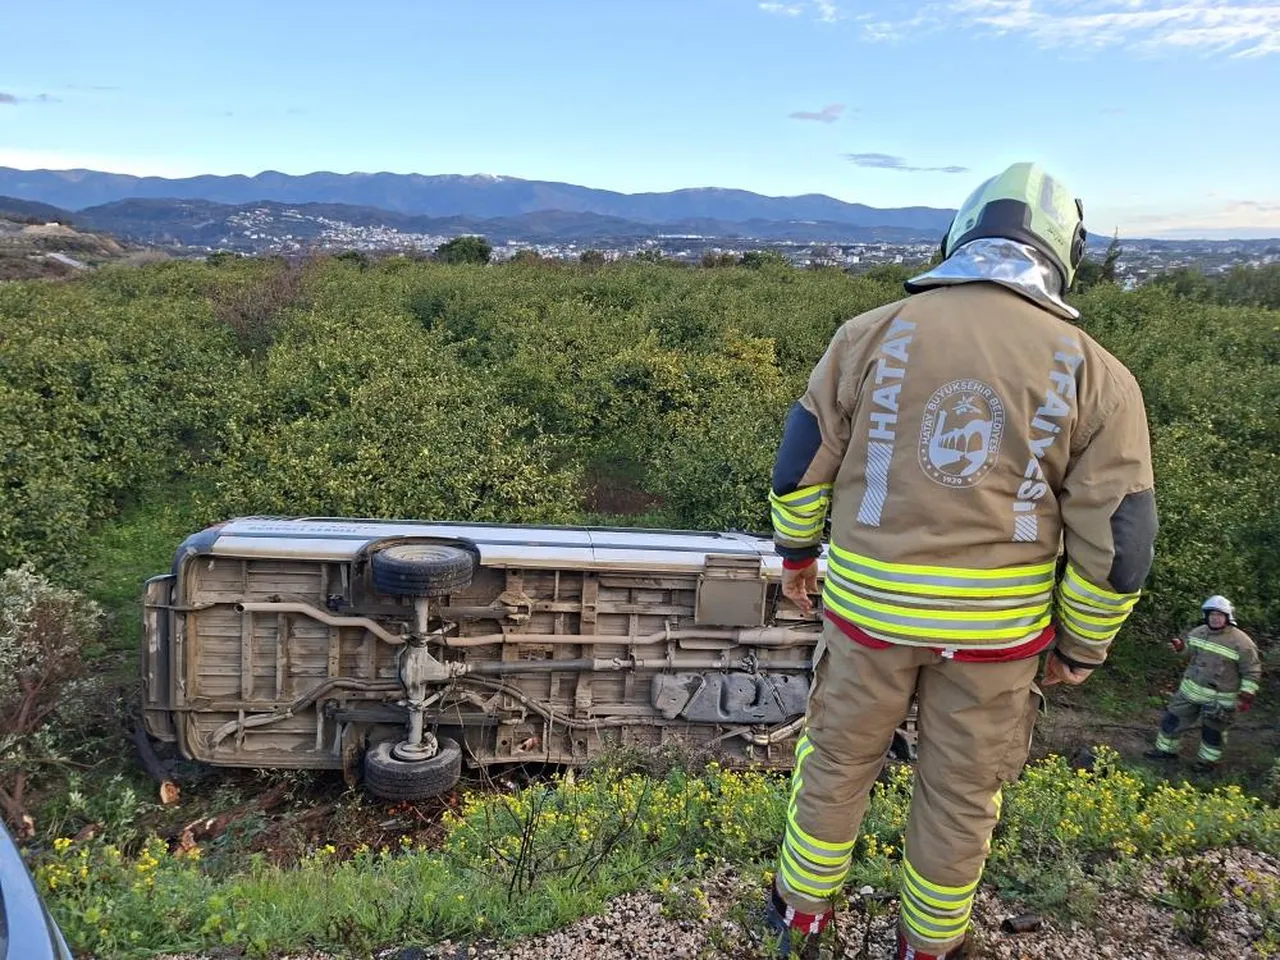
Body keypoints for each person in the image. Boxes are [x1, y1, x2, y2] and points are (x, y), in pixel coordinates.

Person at [763, 163, 1158, 959]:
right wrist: (1080, 645)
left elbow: (799, 469)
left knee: (836, 762)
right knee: (961, 794)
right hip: (995, 641)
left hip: (870, 618)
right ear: (1060, 254)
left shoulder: (869, 334)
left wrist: (799, 556)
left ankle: (799, 921)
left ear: (959, 234)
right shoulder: (1096, 373)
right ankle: (929, 946)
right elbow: (1118, 544)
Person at [1144, 595, 1261, 771]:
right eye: (1211, 614)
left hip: (1220, 699)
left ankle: (1207, 764)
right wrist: (1180, 647)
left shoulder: (1242, 643)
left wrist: (1246, 695)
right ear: (1206, 615)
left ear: (1228, 617)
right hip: (1189, 691)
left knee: (1213, 733)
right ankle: (1166, 752)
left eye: (1219, 615)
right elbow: (1189, 650)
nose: (1215, 618)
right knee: (1172, 720)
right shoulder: (1199, 632)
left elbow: (1252, 670)